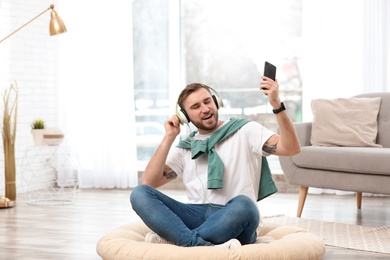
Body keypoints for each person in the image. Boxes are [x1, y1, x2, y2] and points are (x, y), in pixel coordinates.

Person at [130, 77, 300, 249]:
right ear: (185, 116)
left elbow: (291, 148)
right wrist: (169, 137)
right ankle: (196, 244)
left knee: (244, 204)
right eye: (195, 107)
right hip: (196, 215)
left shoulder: (245, 129)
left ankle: (180, 240)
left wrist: (277, 105)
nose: (205, 109)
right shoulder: (187, 146)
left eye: (207, 101)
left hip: (235, 217)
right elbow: (150, 182)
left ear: (216, 101)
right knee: (139, 193)